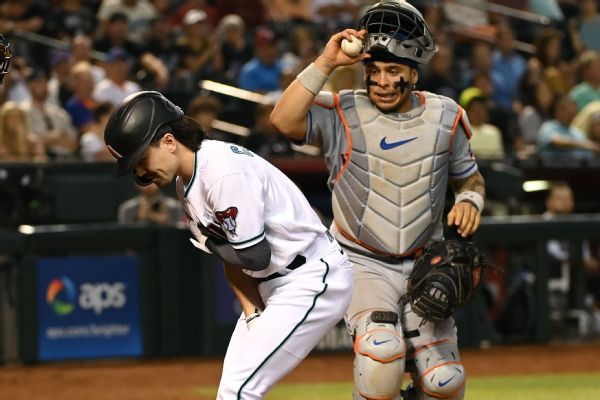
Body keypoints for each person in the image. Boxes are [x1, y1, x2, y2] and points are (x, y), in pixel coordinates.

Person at [270, 2, 486, 399]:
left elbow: (470, 178)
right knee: (380, 356)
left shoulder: (446, 115)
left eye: (393, 72)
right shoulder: (342, 110)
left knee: (445, 382)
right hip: (362, 261)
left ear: (413, 74)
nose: (383, 82)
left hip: (426, 262)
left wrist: (471, 200)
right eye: (374, 72)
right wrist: (326, 62)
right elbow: (282, 121)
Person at [103, 91, 353, 399]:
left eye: (142, 159)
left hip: (310, 276)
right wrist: (251, 312)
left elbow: (254, 256)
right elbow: (234, 259)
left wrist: (208, 241)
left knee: (239, 392)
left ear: (169, 141)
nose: (141, 173)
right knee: (231, 393)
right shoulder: (187, 181)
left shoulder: (221, 171)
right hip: (275, 284)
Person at [117, 182, 183, 225]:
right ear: (136, 183)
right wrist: (138, 219)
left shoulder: (175, 206)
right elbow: (124, 238)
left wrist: (166, 221)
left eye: (154, 180)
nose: (149, 185)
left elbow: (179, 237)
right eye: (145, 180)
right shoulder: (127, 208)